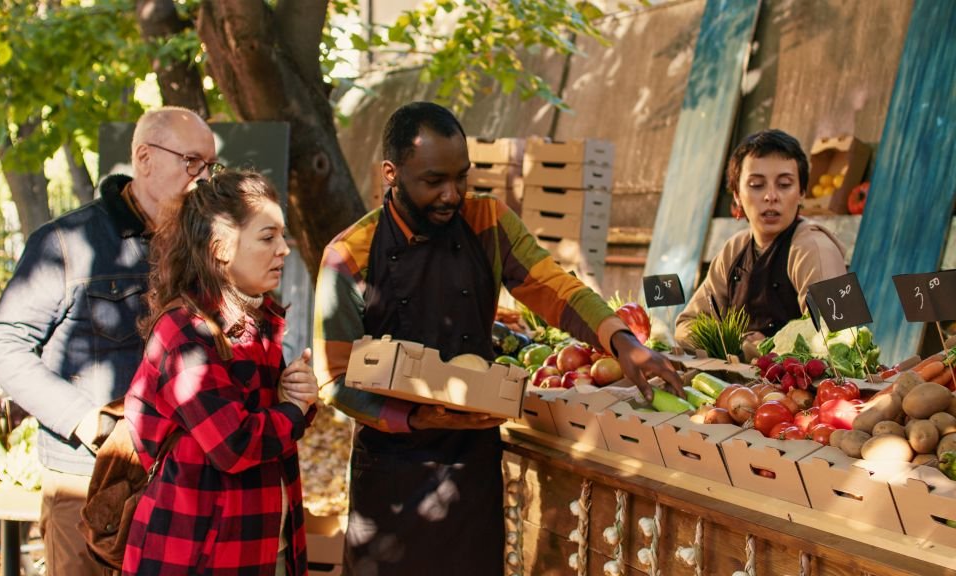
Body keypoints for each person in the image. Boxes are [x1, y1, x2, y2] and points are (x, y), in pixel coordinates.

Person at [313, 101, 681, 576]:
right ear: (391, 173)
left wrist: (620, 339)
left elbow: (552, 285)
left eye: (461, 177)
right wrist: (416, 415)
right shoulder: (347, 256)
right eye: (433, 181)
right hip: (391, 474)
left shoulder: (487, 220)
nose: (452, 194)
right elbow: (334, 377)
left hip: (472, 465)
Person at [0, 107, 218, 575]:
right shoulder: (66, 242)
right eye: (191, 162)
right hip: (88, 483)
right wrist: (84, 421)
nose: (202, 178)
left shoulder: (203, 247)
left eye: (209, 165)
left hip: (179, 482)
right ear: (144, 158)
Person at [121, 170, 318, 574]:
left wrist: (296, 396)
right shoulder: (184, 330)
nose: (283, 249)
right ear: (220, 247)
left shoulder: (257, 319)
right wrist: (295, 411)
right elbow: (234, 444)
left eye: (282, 236)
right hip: (199, 556)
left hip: (263, 544)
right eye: (268, 237)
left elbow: (270, 421)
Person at [674, 129, 847, 351]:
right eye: (757, 185)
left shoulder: (814, 247)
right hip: (738, 384)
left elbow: (837, 338)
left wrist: (764, 348)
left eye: (784, 184)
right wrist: (738, 344)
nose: (771, 196)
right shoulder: (734, 249)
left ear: (802, 192)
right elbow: (686, 325)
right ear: (736, 194)